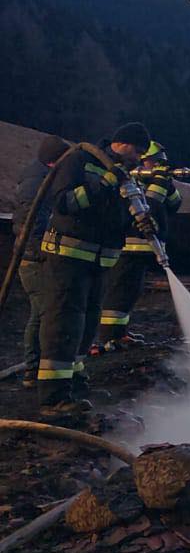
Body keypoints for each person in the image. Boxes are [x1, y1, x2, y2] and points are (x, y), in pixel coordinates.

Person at [32, 123, 150, 420]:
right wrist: (105, 183)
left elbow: (113, 217)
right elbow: (64, 203)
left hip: (98, 262)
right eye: (137, 152)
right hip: (68, 258)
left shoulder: (123, 175)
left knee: (86, 325)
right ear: (123, 143)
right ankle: (53, 397)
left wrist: (139, 222)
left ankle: (74, 383)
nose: (138, 159)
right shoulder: (80, 160)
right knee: (64, 324)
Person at [95, 138, 183, 353]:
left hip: (145, 248)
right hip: (128, 248)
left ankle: (119, 333)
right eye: (155, 162)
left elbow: (174, 204)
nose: (159, 166)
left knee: (130, 293)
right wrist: (159, 181)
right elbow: (148, 206)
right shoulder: (130, 180)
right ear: (142, 161)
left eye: (162, 162)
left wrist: (167, 181)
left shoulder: (157, 181)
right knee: (118, 293)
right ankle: (107, 337)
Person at [12, 134, 74, 389]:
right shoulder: (37, 183)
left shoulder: (41, 177)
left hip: (35, 256)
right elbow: (30, 222)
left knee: (43, 312)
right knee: (42, 312)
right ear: (53, 161)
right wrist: (43, 252)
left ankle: (35, 367)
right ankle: (32, 369)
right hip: (33, 259)